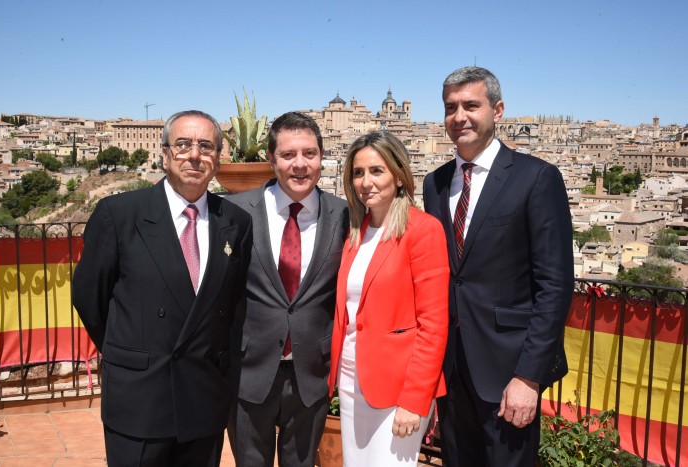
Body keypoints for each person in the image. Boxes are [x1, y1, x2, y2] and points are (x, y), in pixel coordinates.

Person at [72, 110, 252, 467]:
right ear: (165, 153)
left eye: (206, 146)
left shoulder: (235, 222)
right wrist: (135, 348)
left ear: (218, 158)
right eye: (183, 144)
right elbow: (90, 297)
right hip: (140, 398)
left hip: (203, 396)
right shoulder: (119, 214)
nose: (194, 155)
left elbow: (234, 306)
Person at [423, 66, 574, 466]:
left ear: (498, 109)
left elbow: (555, 286)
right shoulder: (434, 184)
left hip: (509, 372)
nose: (460, 117)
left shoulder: (536, 178)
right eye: (451, 107)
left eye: (471, 105)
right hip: (453, 371)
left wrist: (529, 377)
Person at [226, 111, 349, 467]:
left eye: (309, 154)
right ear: (270, 158)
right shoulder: (235, 212)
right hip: (248, 372)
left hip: (311, 375)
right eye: (288, 154)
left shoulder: (345, 216)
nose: (300, 165)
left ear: (322, 156)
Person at [327, 130, 449, 466]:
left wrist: (415, 399)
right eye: (358, 172)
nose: (366, 181)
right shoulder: (356, 232)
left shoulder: (422, 230)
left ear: (399, 175)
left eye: (376, 170)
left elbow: (434, 326)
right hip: (352, 381)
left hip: (398, 390)